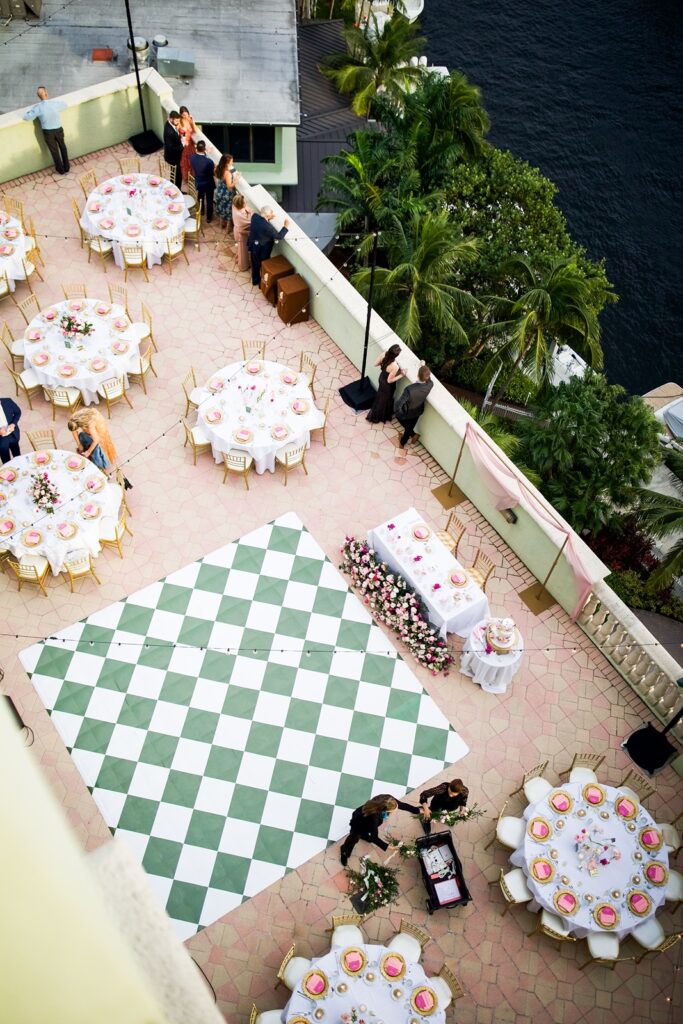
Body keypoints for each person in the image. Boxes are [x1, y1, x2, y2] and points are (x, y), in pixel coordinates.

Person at [340, 793, 418, 866]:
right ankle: (344, 850)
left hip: (363, 817)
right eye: (392, 812)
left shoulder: (387, 799)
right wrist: (389, 847)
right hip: (358, 825)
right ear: (385, 810)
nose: (394, 812)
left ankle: (363, 836)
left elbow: (402, 805)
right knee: (353, 838)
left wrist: (418, 810)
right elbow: (375, 838)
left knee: (368, 838)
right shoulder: (374, 819)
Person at [22, 86, 69, 175]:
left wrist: (31, 109)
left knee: (54, 151)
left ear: (39, 96)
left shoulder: (38, 108)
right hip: (58, 129)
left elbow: (26, 117)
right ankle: (67, 167)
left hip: (48, 132)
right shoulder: (55, 104)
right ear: (46, 93)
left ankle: (61, 170)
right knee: (63, 147)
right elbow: (65, 105)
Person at [248, 206, 290, 287]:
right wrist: (285, 226)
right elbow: (279, 236)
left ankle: (255, 280)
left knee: (255, 264)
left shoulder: (255, 217)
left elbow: (261, 225)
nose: (272, 213)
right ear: (267, 216)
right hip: (262, 249)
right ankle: (262, 284)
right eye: (271, 213)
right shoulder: (267, 227)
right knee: (264, 266)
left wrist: (269, 218)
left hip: (253, 245)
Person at [68, 409, 117, 478]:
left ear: (79, 424)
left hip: (96, 423)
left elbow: (96, 439)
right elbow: (74, 431)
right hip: (87, 419)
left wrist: (88, 451)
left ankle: (102, 467)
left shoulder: (89, 424)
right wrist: (79, 444)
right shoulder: (72, 420)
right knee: (82, 436)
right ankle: (90, 452)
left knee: (97, 448)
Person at [394, 364, 433, 448]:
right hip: (418, 410)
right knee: (410, 426)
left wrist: (399, 413)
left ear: (417, 375)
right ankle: (413, 435)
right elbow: (429, 379)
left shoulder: (409, 389)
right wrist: (424, 367)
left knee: (404, 422)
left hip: (408, 411)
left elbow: (398, 405)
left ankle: (402, 443)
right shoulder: (430, 384)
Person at [366, 344, 405, 424]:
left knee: (381, 397)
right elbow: (389, 381)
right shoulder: (394, 366)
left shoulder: (384, 354)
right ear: (396, 355)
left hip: (381, 378)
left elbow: (375, 364)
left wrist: (383, 364)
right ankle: (380, 415)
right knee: (385, 400)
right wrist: (401, 375)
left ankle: (380, 413)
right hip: (388, 386)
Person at [189, 140, 216, 223]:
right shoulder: (209, 162)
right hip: (208, 183)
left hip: (199, 182)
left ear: (196, 149)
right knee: (209, 200)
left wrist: (206, 154)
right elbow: (212, 173)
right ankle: (209, 217)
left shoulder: (192, 157)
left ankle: (202, 211)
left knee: (200, 197)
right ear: (204, 149)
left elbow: (199, 162)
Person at [214, 154, 240, 230]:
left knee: (221, 208)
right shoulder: (227, 173)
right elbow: (229, 186)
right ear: (226, 163)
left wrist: (233, 171)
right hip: (227, 194)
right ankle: (228, 228)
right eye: (231, 161)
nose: (232, 162)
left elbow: (218, 177)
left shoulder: (217, 168)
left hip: (219, 191)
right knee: (228, 211)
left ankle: (221, 224)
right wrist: (236, 179)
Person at [232, 194, 252, 272]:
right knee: (243, 251)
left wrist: (245, 208)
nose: (246, 202)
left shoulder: (234, 206)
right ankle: (243, 266)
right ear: (240, 204)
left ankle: (237, 259)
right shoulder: (240, 215)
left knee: (239, 249)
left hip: (236, 230)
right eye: (244, 202)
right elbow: (250, 221)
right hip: (241, 235)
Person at [163, 111, 184, 187]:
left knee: (173, 173)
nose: (178, 122)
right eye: (176, 120)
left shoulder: (168, 123)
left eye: (178, 120)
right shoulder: (169, 132)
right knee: (178, 175)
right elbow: (170, 148)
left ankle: (173, 186)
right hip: (173, 157)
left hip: (171, 155)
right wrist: (182, 146)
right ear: (171, 119)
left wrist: (179, 136)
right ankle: (178, 190)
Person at [178, 106, 197, 187]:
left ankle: (192, 177)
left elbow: (195, 130)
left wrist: (192, 122)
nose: (185, 116)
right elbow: (180, 133)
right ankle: (186, 178)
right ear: (181, 115)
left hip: (191, 144)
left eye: (186, 114)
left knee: (192, 161)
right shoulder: (180, 122)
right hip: (185, 144)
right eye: (183, 115)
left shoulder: (190, 119)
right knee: (185, 162)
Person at [0, 397, 21, 463]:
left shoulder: (8, 401)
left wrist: (13, 424)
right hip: (1, 440)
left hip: (13, 434)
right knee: (6, 460)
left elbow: (18, 412)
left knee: (17, 456)